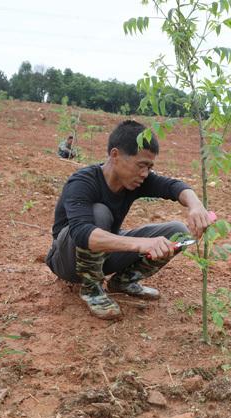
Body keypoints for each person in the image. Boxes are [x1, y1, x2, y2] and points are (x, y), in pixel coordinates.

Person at [45, 120, 210, 320]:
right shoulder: (83, 181)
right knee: (100, 213)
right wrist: (141, 244)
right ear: (115, 155)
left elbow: (173, 186)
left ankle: (123, 281)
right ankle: (91, 289)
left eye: (149, 167)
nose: (145, 173)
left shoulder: (138, 180)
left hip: (103, 255)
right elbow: (81, 234)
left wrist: (195, 205)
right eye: (141, 165)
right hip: (68, 261)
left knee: (177, 232)